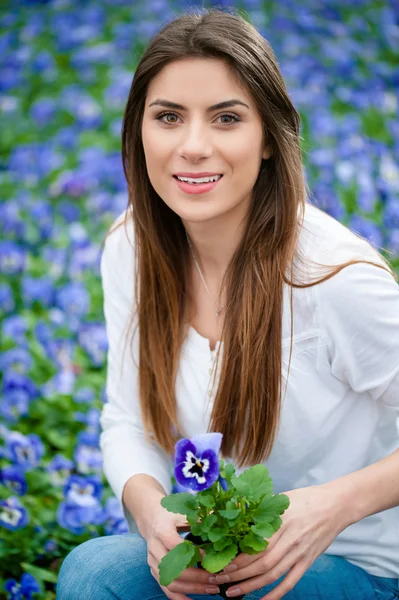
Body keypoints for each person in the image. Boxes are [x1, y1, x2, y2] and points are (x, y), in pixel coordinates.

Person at [56, 7, 399, 600]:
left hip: (357, 565)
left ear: (268, 138)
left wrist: (332, 507)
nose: (193, 146)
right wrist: (151, 514)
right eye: (168, 117)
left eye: (226, 118)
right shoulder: (131, 247)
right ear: (139, 131)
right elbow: (127, 420)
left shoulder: (333, 279)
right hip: (219, 553)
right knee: (92, 573)